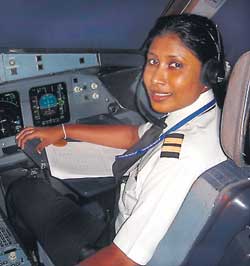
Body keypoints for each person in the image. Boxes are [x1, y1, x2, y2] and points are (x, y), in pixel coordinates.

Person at [7, 14, 227, 266]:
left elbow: (122, 260)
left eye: (175, 65)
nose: (155, 78)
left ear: (210, 73)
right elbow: (137, 135)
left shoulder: (181, 158)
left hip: (114, 250)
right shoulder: (207, 117)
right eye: (153, 61)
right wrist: (64, 130)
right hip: (122, 229)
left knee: (23, 190)